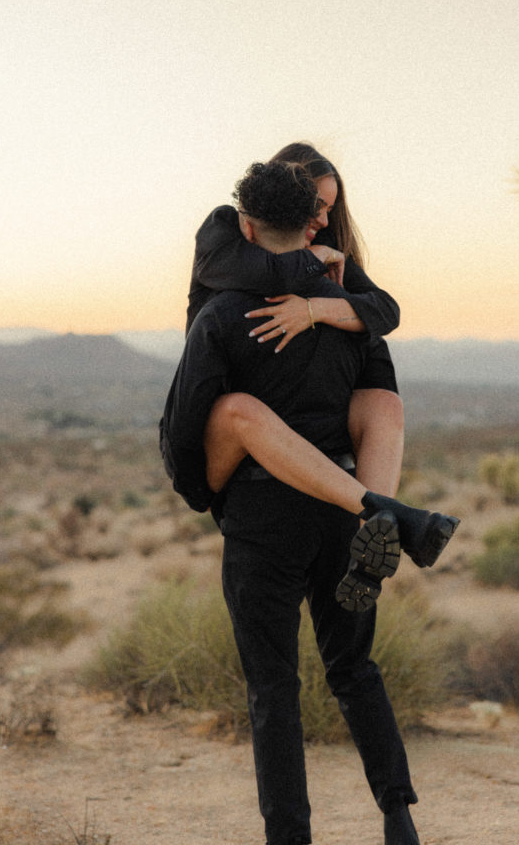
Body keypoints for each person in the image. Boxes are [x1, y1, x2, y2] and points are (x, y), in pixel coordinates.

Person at [161, 157, 429, 844]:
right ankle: (397, 819)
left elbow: (190, 411)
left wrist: (206, 493)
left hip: (262, 513)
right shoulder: (347, 315)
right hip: (344, 507)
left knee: (272, 689)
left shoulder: (223, 312)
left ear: (247, 225)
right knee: (353, 667)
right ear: (311, 220)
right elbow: (379, 388)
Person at [186, 142, 405, 501]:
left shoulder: (326, 242)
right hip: (228, 400)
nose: (323, 220)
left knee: (384, 401)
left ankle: (380, 522)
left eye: (330, 210)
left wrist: (314, 309)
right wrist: (313, 261)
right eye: (317, 206)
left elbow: (385, 309)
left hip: (307, 412)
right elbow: (264, 270)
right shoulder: (226, 230)